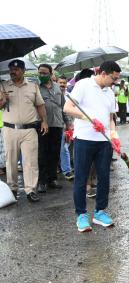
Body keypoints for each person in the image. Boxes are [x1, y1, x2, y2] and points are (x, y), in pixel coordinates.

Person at [63, 61, 121, 232]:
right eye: (113, 78)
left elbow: (111, 118)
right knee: (81, 178)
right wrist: (88, 119)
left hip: (104, 142)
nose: (115, 82)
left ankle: (99, 212)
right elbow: (68, 107)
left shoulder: (110, 92)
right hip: (84, 139)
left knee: (104, 177)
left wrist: (114, 136)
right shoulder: (83, 85)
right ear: (103, 73)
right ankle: (81, 215)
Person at [0, 59, 48, 202]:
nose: (12, 72)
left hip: (29, 130)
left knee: (30, 161)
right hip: (9, 130)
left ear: (23, 71)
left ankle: (31, 190)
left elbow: (40, 105)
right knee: (11, 161)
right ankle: (12, 189)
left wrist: (44, 121)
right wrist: (2, 100)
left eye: (16, 69)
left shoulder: (33, 86)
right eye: (11, 70)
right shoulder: (2, 85)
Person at [37, 64, 72, 193]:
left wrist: (68, 123)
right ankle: (42, 181)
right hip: (42, 125)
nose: (42, 75)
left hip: (57, 125)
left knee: (55, 153)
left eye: (45, 73)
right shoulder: (37, 88)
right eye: (40, 73)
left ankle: (52, 179)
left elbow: (63, 107)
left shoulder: (58, 88)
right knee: (42, 154)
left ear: (51, 74)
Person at [58, 75, 74, 180]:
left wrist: (71, 125)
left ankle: (67, 168)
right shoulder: (54, 95)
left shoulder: (70, 96)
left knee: (68, 147)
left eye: (64, 83)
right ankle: (66, 170)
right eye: (60, 83)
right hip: (59, 125)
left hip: (69, 125)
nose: (62, 85)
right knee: (63, 148)